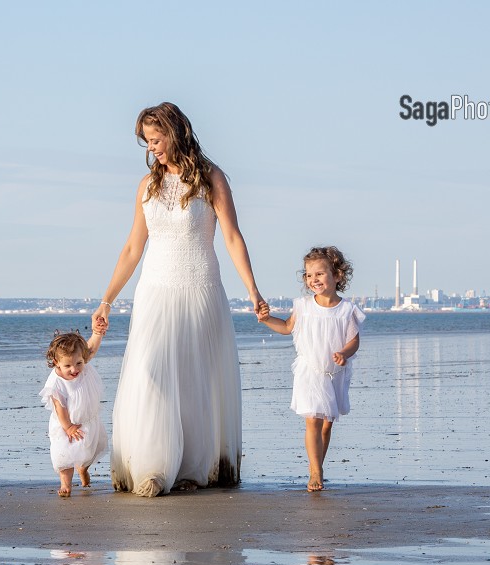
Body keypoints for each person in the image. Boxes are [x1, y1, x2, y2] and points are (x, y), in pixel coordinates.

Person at [92, 103, 268, 497]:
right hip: (154, 291)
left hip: (200, 288)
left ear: (176, 132)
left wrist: (253, 290)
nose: (151, 147)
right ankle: (153, 466)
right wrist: (106, 300)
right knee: (148, 370)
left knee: (194, 381)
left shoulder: (212, 179)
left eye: (156, 139)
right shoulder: (146, 186)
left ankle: (190, 469)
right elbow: (133, 248)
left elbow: (233, 238)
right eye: (146, 141)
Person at [256, 246, 364, 491]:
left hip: (334, 373)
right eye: (308, 275)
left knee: (327, 424)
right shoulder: (303, 306)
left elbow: (354, 340)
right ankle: (315, 472)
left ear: (337, 275)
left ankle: (318, 465)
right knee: (313, 420)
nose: (313, 279)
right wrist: (266, 319)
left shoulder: (347, 310)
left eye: (319, 274)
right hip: (309, 370)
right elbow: (286, 327)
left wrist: (344, 354)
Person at [41, 323, 109, 497]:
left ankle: (83, 469)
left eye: (79, 363)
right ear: (56, 362)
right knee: (64, 455)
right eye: (68, 366)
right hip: (66, 424)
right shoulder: (56, 382)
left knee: (87, 451)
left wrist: (97, 333)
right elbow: (59, 407)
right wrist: (68, 427)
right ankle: (66, 484)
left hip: (87, 420)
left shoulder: (82, 363)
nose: (75, 369)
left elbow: (91, 348)